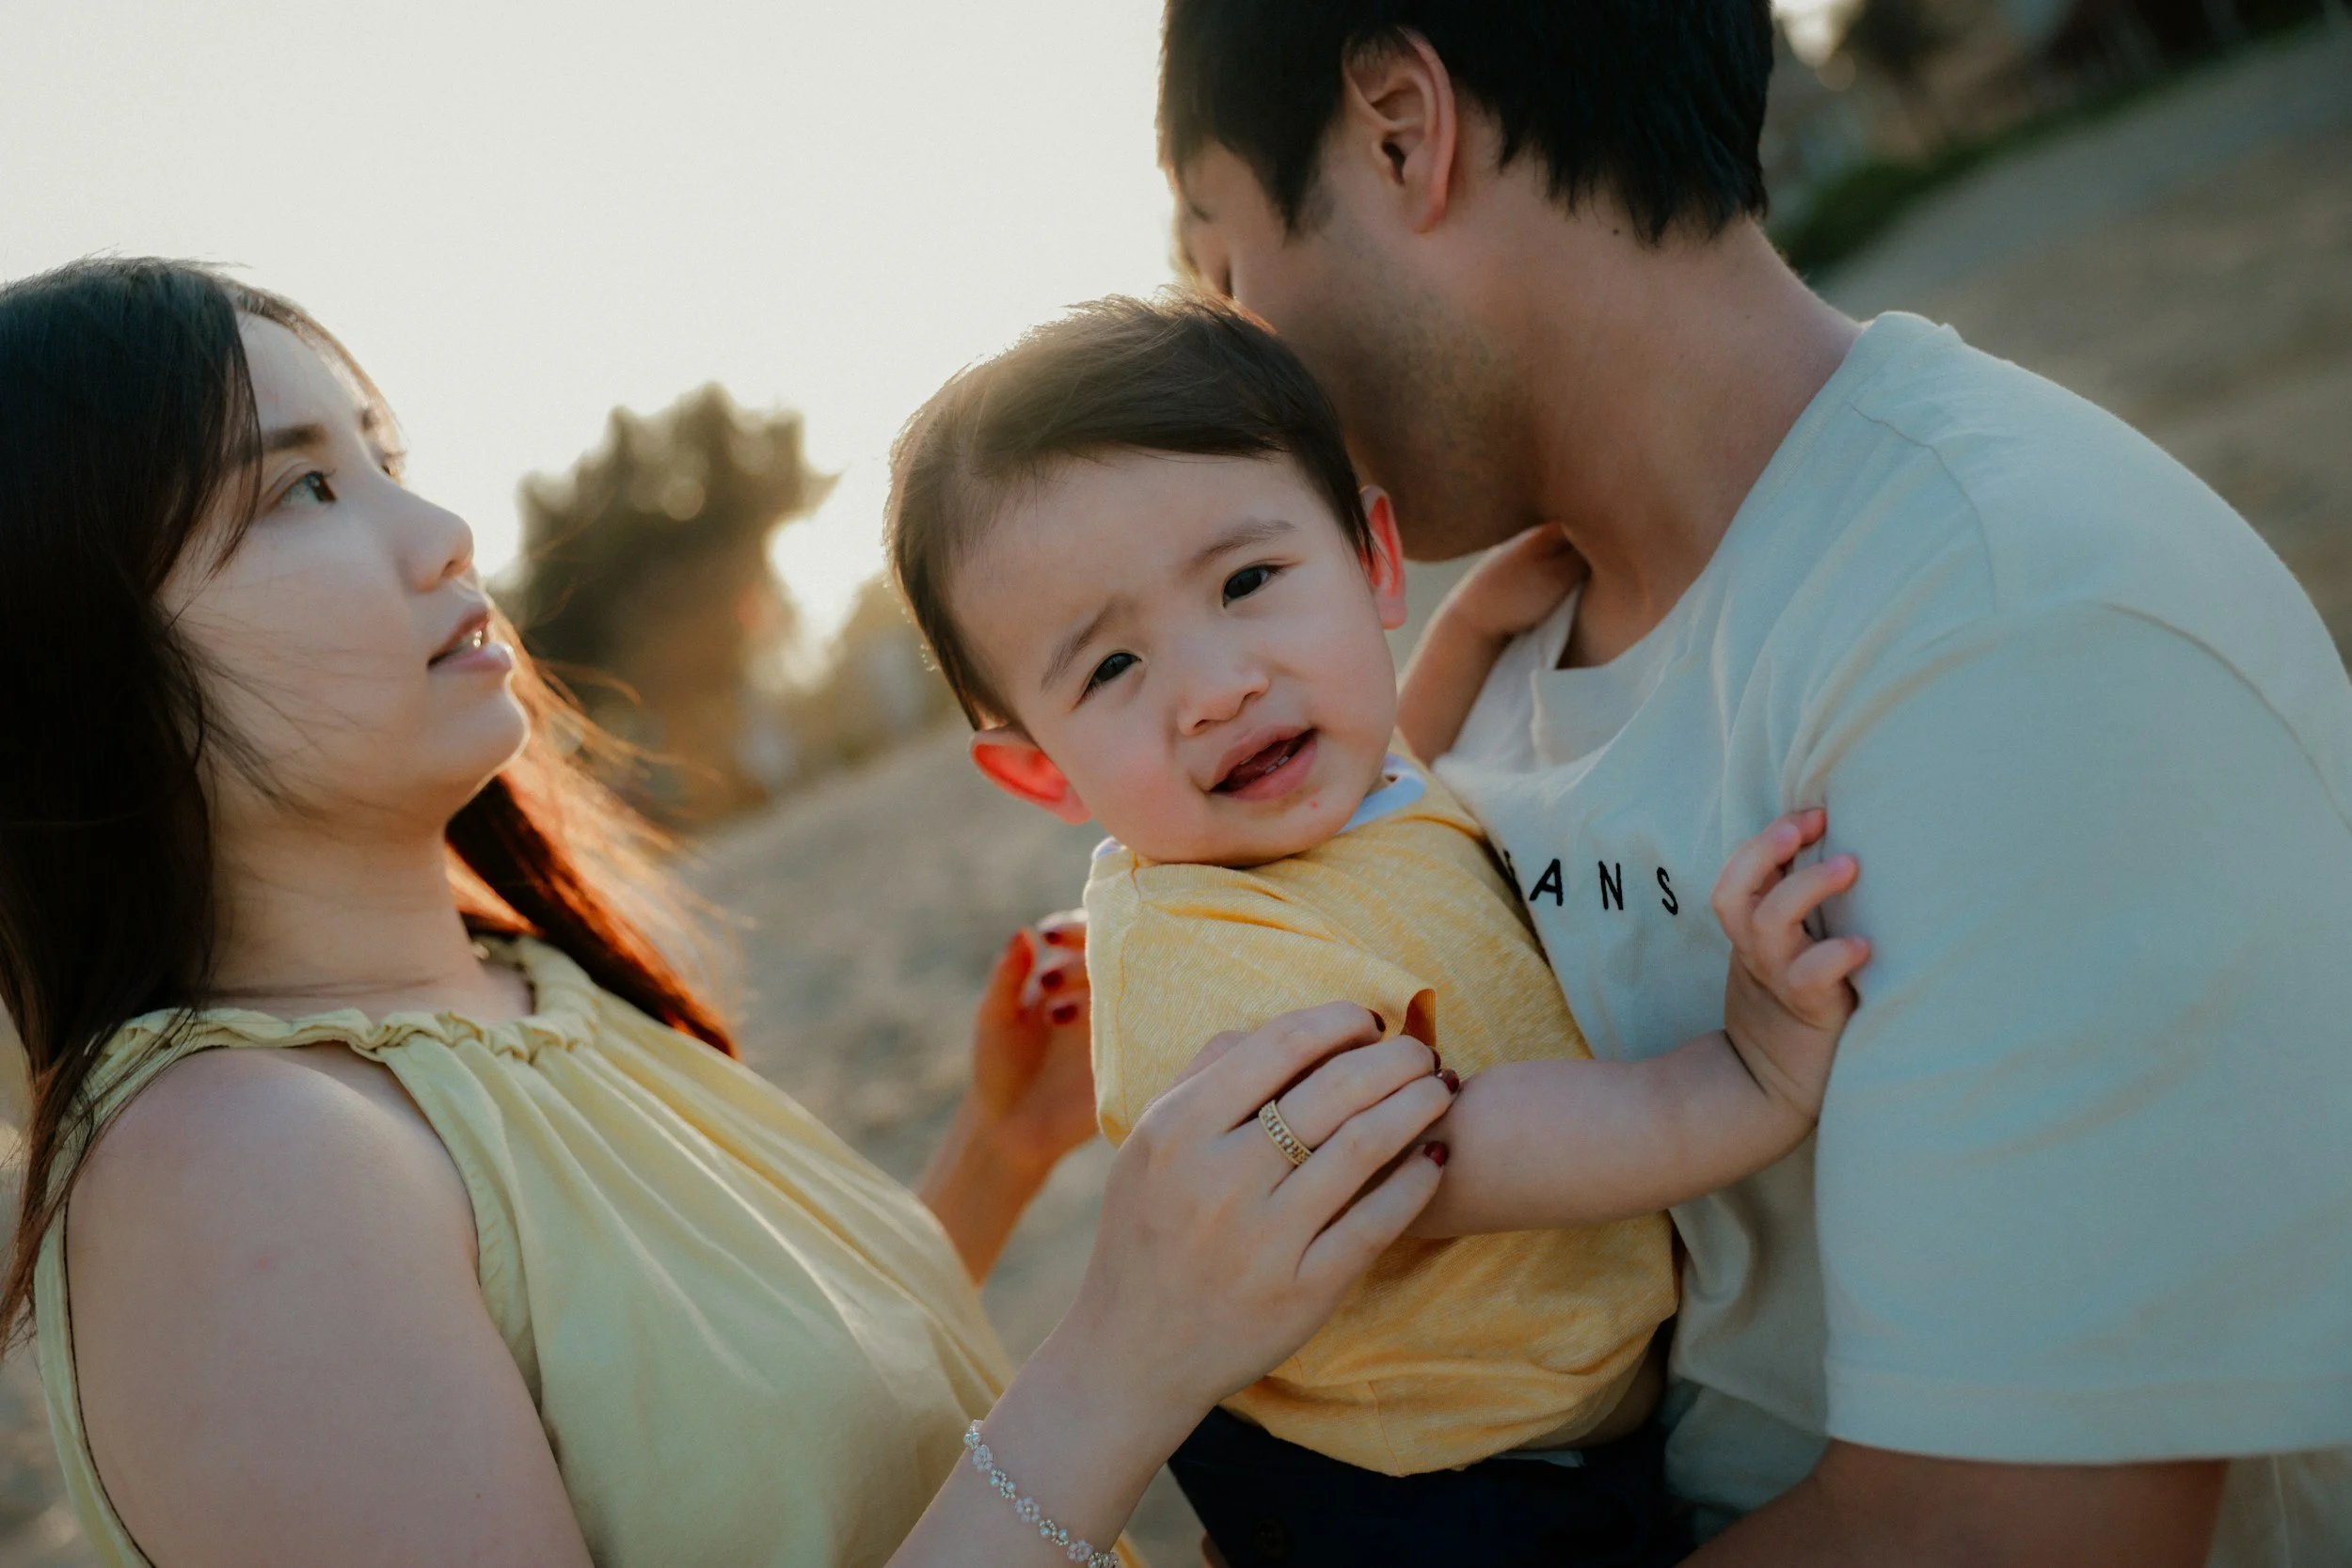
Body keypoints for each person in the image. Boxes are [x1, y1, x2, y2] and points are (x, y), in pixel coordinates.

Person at [0, 256, 1462, 1568]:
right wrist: (1128, 1358)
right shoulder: (221, 1170)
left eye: (386, 458)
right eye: (300, 489)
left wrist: (994, 1154)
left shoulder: (524, 989)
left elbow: (742, 1431)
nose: (444, 531)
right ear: (76, 669)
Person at [1156, 3, 2352, 1564]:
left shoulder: (2003, 620)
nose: (1240, 367)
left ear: (1401, 129)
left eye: (1226, 263)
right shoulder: (1504, 664)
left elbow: (1995, 1530)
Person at [884, 293, 1870, 1568]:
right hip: (1423, 1489)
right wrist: (1737, 1085)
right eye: (1113, 669)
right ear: (1043, 774)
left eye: (1248, 582)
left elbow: (1400, 773)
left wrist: (1463, 635)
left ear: (1373, 563)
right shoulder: (1196, 955)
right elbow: (1441, 1147)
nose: (1217, 684)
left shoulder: (1304, 798)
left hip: (1537, 1407)